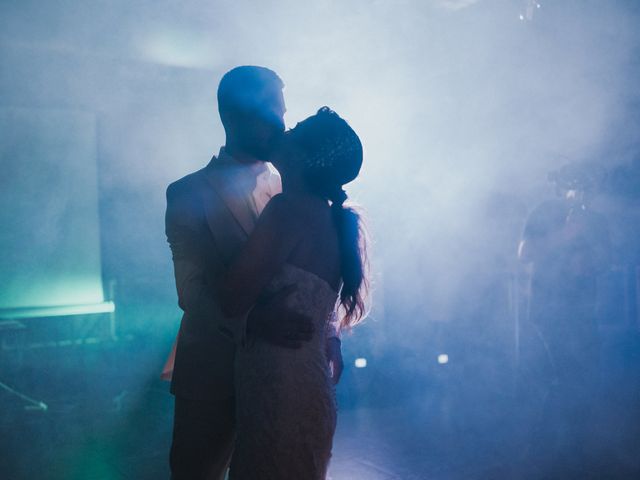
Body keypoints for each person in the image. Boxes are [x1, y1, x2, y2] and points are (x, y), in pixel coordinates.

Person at [164, 66, 344, 480]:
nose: (281, 124)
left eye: (282, 111)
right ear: (232, 115)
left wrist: (328, 332)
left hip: (282, 373)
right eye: (269, 111)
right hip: (212, 370)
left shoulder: (297, 184)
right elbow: (191, 291)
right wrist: (253, 320)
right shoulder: (186, 193)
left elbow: (319, 268)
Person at [218, 107, 369, 480]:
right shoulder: (331, 217)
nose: (283, 131)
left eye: (295, 129)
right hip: (308, 383)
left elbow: (230, 298)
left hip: (279, 385)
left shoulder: (287, 211)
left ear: (304, 157)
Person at [517, 162, 610, 474]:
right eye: (576, 186)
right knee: (567, 376)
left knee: (584, 377)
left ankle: (571, 447)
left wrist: (588, 257)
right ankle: (546, 449)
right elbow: (525, 253)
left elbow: (604, 261)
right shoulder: (545, 211)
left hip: (583, 308)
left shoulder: (594, 219)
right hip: (549, 309)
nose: (581, 192)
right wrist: (565, 236)